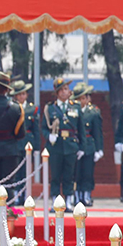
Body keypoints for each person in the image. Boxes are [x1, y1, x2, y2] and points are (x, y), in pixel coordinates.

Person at [43, 78, 83, 208]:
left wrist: (82, 146)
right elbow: (43, 127)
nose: (67, 91)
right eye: (64, 89)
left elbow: (81, 128)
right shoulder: (50, 108)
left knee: (69, 175)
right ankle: (55, 200)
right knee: (55, 175)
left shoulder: (75, 107)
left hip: (71, 146)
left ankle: (69, 201)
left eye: (67, 89)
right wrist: (49, 136)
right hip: (56, 146)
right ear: (58, 92)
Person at [73, 83, 103, 207]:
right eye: (78, 99)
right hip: (76, 145)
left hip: (89, 146)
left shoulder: (93, 112)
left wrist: (99, 149)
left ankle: (86, 195)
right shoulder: (72, 110)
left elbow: (97, 132)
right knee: (76, 172)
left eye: (83, 98)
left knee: (87, 172)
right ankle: (76, 195)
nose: (81, 101)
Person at [10, 80, 40, 204]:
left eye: (23, 94)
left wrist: (37, 147)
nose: (21, 96)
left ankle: (26, 195)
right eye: (19, 94)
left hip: (28, 142)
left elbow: (36, 129)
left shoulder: (32, 109)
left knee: (26, 171)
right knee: (16, 171)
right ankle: (16, 195)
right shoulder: (11, 108)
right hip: (15, 143)